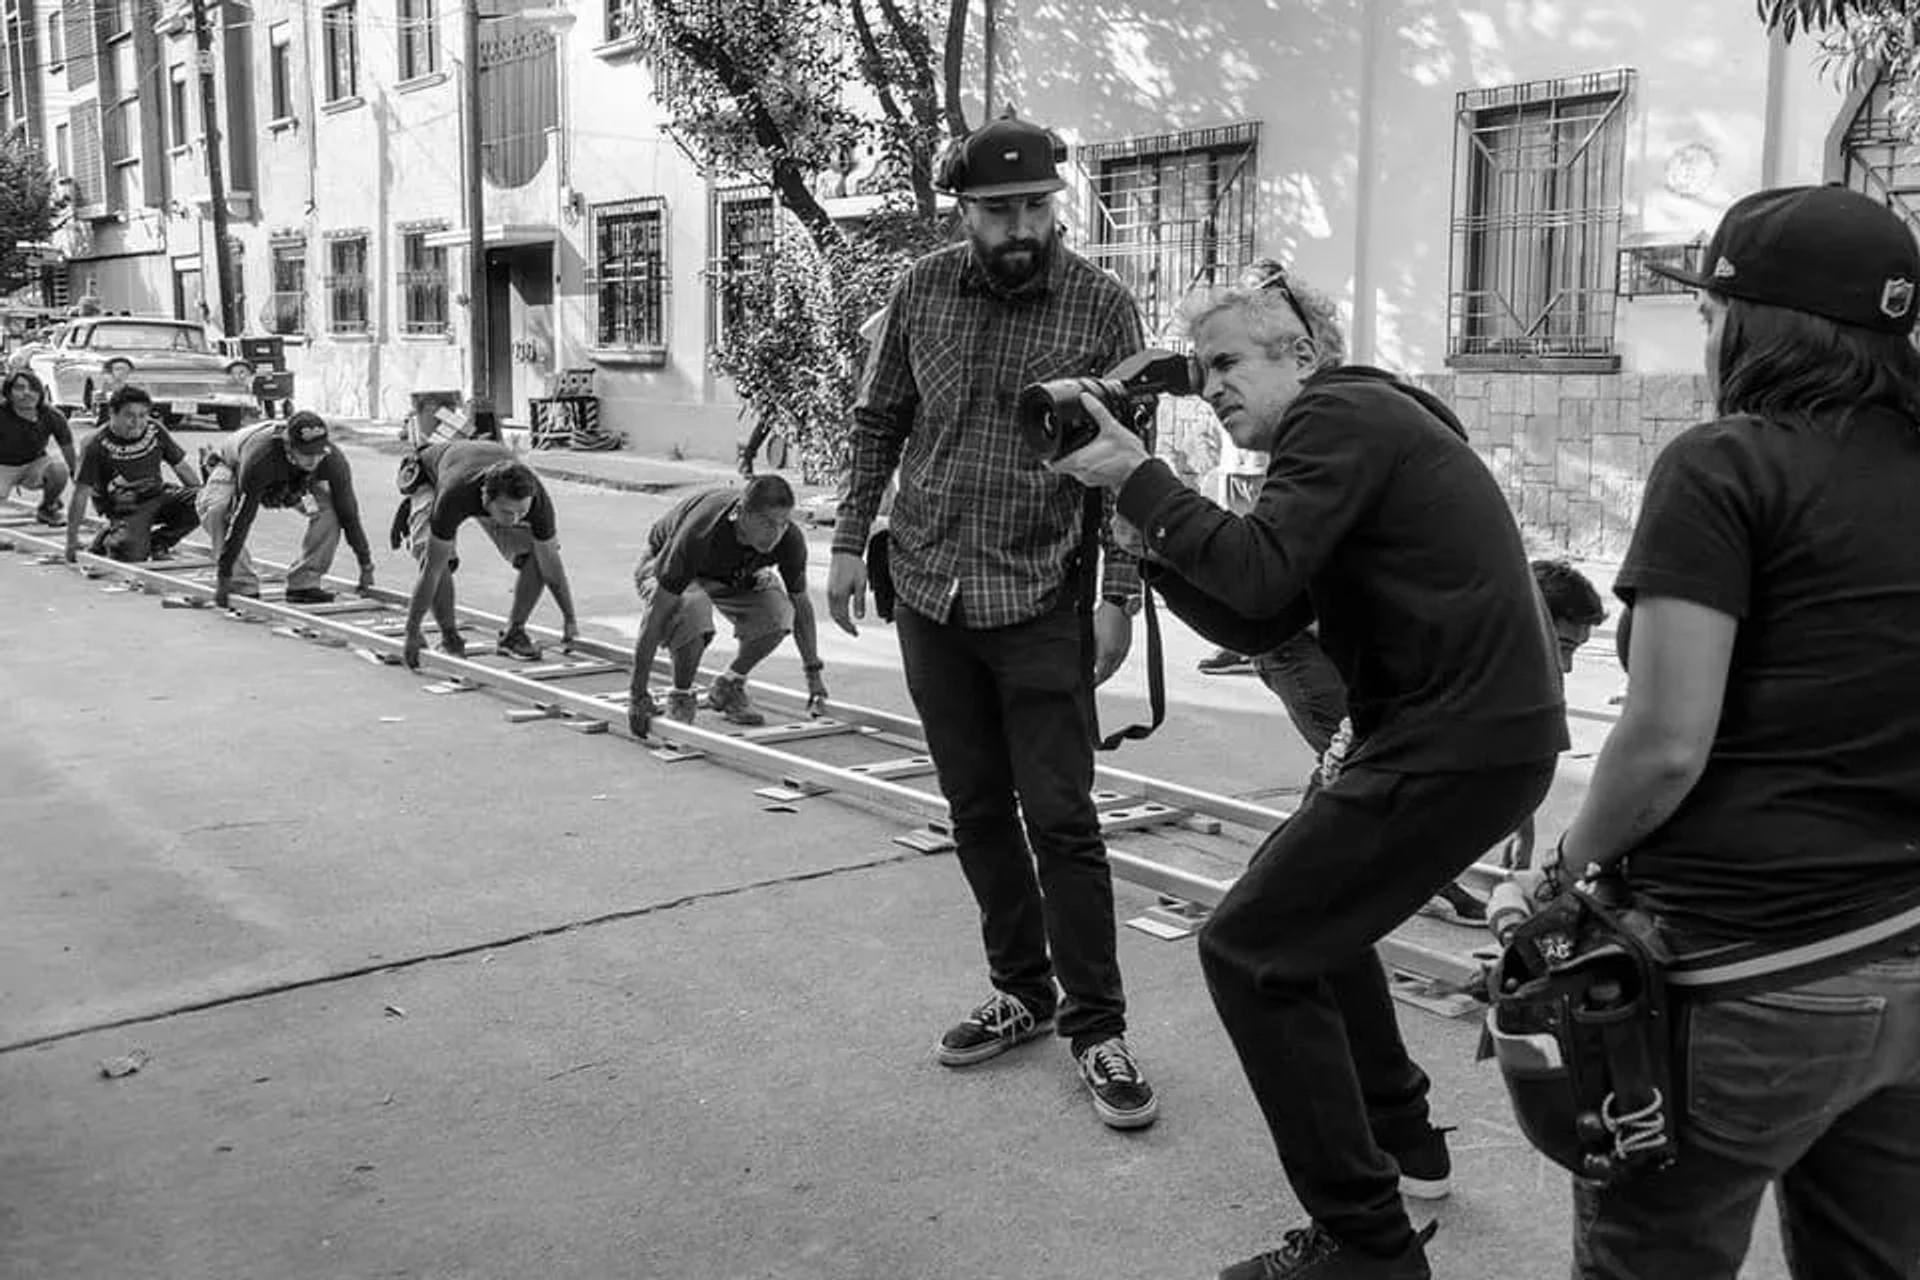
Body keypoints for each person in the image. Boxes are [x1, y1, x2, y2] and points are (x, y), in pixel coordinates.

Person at [1052, 261, 1566, 1279]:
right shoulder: (1343, 433)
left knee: (1250, 944)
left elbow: (1255, 569)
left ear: (1303, 353)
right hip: (1459, 736)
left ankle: (1368, 1246)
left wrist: (1138, 482)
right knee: (1306, 924)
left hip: (1454, 738)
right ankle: (1406, 1147)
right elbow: (1265, 614)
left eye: (1230, 361)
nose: (1214, 387)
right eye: (1202, 372)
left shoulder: (1341, 416)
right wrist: (1147, 545)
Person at [1522, 186, 1920, 1278]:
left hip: (1745, 976)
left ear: (1755, 323)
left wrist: (1560, 868)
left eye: (1711, 311)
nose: (1705, 334)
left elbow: (1662, 742)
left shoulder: (1725, 464)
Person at [824, 110, 1158, 1132]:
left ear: (1056, 204)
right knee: (974, 806)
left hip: (1039, 599)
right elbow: (881, 417)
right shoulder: (920, 288)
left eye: (1034, 207)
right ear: (963, 211)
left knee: (1061, 816)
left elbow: (1129, 468)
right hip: (928, 588)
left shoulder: (1103, 306)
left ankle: (1097, 1026)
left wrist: (1118, 598)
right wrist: (846, 539)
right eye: (998, 209)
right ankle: (1023, 987)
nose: (1020, 226)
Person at [626, 476, 827, 734]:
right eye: (766, 522)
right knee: (693, 607)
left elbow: (801, 606)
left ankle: (729, 684)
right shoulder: (701, 531)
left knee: (778, 612)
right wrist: (637, 695)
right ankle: (681, 696)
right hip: (662, 564)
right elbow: (656, 614)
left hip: (731, 573)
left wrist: (813, 673)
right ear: (741, 514)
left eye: (783, 523)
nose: (775, 533)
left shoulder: (790, 540)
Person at [400, 438, 579, 669]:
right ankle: (450, 637)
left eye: (521, 512)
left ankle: (514, 633)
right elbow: (431, 572)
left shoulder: (536, 501)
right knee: (438, 560)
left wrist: (570, 619)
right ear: (485, 498)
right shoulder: (455, 495)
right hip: (432, 478)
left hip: (484, 468)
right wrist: (412, 631)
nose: (515, 520)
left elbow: (552, 568)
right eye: (507, 512)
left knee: (539, 555)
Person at [200, 412, 376, 609]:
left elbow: (349, 514)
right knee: (218, 511)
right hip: (233, 467)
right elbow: (243, 518)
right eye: (307, 453)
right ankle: (241, 583)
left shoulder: (332, 460)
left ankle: (304, 583)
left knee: (331, 512)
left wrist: (365, 563)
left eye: (319, 452)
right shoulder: (260, 458)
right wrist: (224, 577)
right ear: (288, 446)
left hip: (294, 482)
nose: (314, 460)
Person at [66, 385, 201, 564]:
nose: (137, 422)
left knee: (209, 499)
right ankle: (109, 535)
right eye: (129, 416)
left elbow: (181, 467)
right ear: (112, 414)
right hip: (126, 506)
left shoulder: (155, 430)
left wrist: (201, 501)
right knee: (131, 556)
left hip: (157, 494)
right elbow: (80, 494)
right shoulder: (95, 444)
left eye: (142, 416)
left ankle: (159, 542)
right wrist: (71, 541)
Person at [0, 370, 74, 525]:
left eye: (32, 388)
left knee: (59, 470)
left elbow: (68, 451)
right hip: (3, 467)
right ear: (9, 393)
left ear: (40, 392)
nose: (27, 393)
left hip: (34, 464)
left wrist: (80, 480)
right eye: (19, 388)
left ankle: (48, 509)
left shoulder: (53, 415)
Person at [92, 358, 135, 425]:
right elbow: (98, 412)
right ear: (110, 372)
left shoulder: (134, 391)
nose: (122, 372)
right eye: (118, 369)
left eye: (125, 369)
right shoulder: (104, 391)